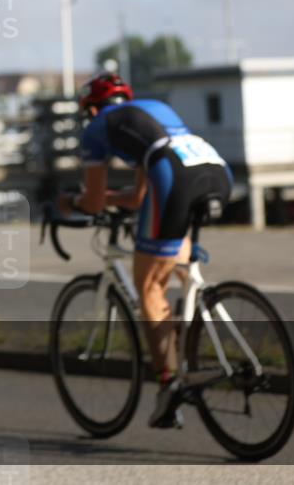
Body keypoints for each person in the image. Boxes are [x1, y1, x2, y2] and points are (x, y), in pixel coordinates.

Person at [57, 72, 232, 428]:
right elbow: (138, 197)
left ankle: (168, 384)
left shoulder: (97, 129)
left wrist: (67, 202)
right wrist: (110, 199)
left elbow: (91, 202)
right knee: (173, 264)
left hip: (175, 176)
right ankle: (186, 337)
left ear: (91, 109)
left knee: (149, 286)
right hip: (214, 168)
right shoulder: (151, 112)